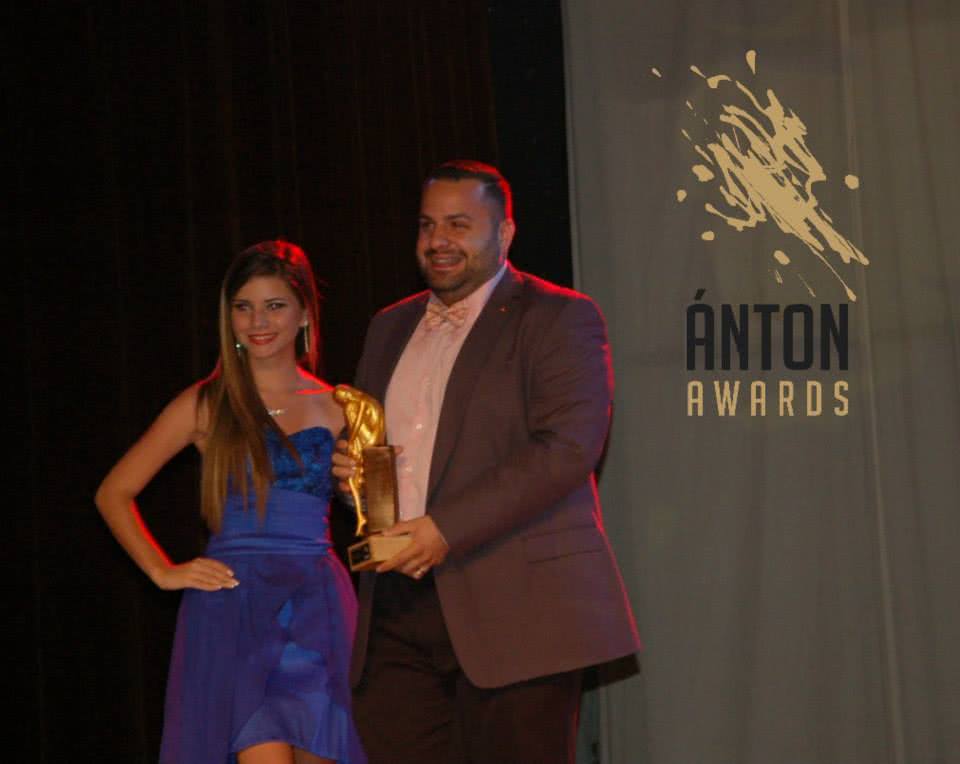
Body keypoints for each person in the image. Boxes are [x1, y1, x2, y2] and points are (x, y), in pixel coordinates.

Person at [332, 161, 640, 764]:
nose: (438, 241)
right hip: (396, 608)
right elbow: (376, 448)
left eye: (458, 224)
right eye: (427, 225)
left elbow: (567, 448)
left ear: (504, 233)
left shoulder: (557, 316)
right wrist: (352, 480)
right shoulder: (389, 326)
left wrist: (444, 529)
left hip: (517, 605)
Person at [96, 241, 366, 764]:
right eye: (244, 307)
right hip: (236, 605)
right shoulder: (207, 403)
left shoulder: (340, 406)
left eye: (274, 305)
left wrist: (356, 488)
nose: (258, 321)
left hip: (317, 604)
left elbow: (374, 515)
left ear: (304, 313)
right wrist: (161, 571)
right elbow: (113, 491)